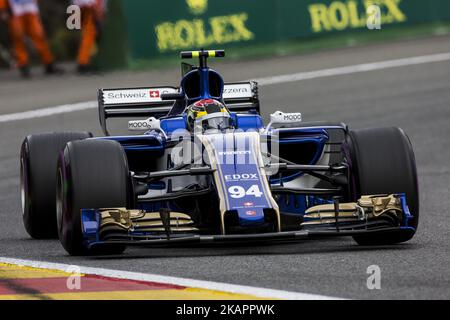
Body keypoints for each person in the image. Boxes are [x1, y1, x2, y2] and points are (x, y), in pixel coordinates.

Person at [0, 0, 62, 78]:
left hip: (30, 8)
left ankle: (49, 63)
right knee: (18, 37)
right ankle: (23, 65)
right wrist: (3, 9)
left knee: (39, 35)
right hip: (15, 10)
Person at [73, 0, 105, 74]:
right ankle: (83, 63)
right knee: (89, 33)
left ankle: (84, 61)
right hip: (87, 5)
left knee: (87, 34)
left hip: (81, 5)